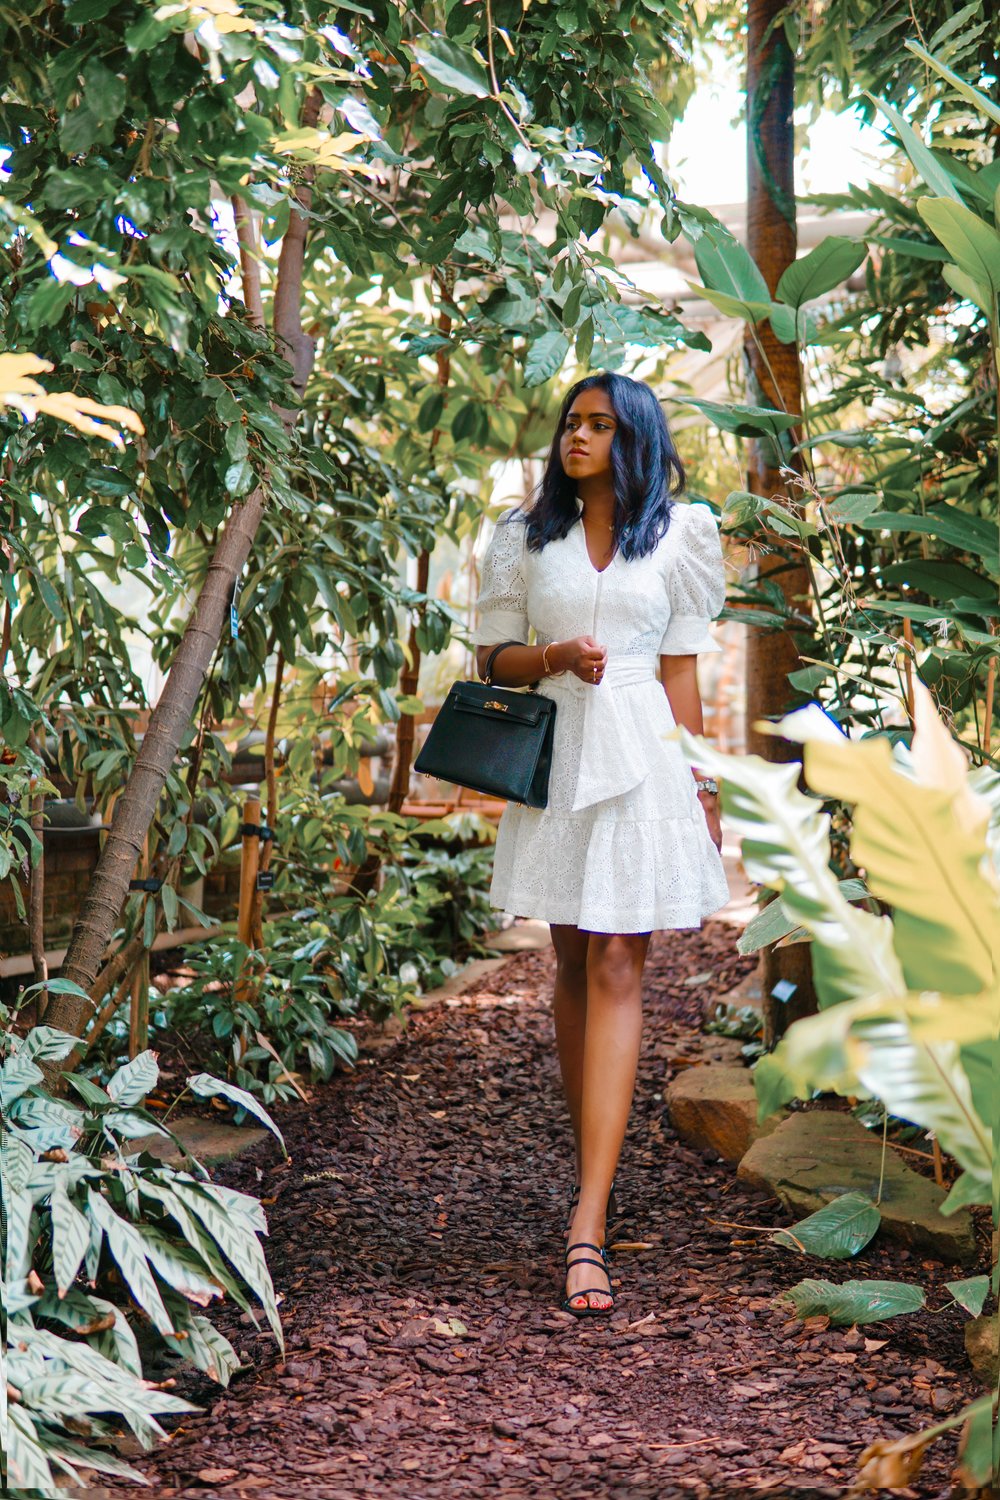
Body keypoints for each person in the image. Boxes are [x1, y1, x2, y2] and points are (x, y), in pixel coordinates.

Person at [471, 372, 730, 1318]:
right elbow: (491, 657)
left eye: (598, 425)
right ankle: (598, 1173)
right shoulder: (521, 535)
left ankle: (588, 1219)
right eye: (570, 424)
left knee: (623, 959)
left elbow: (682, 673)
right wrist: (552, 657)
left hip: (646, 758)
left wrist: (706, 789)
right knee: (574, 958)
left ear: (634, 440)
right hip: (557, 753)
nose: (576, 437)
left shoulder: (681, 535)